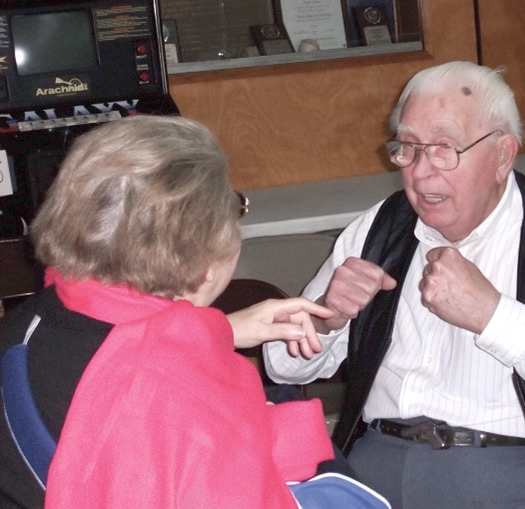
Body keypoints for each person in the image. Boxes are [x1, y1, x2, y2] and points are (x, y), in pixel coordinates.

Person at [264, 61, 525, 508]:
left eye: (444, 148)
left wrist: (495, 317)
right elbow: (281, 364)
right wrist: (326, 317)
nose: (420, 172)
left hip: (520, 478)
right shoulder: (379, 228)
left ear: (502, 156)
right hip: (376, 470)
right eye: (409, 148)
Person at [0, 115, 390, 508]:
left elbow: (108, 348)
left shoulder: (31, 318)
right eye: (235, 209)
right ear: (203, 255)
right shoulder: (177, 385)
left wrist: (219, 330)